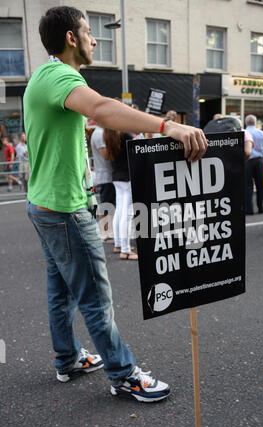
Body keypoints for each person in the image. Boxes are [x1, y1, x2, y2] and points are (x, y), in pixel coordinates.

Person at [23, 6, 207, 403]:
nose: (94, 39)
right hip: (63, 209)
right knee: (94, 296)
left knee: (62, 291)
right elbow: (103, 109)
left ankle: (68, 359)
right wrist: (167, 125)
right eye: (88, 32)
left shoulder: (42, 77)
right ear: (71, 38)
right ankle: (123, 375)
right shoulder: (59, 75)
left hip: (45, 204)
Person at [103, 127, 137, 260]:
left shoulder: (108, 135)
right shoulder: (125, 135)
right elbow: (137, 150)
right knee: (127, 214)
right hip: (127, 177)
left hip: (117, 176)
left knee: (119, 211)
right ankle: (125, 249)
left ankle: (119, 244)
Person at [90, 125, 115, 241]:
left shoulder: (99, 132)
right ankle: (104, 233)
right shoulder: (100, 134)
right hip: (105, 175)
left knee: (107, 206)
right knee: (106, 206)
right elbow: (106, 155)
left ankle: (107, 232)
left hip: (106, 175)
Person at [245, 114, 263, 214]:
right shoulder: (262, 133)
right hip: (259, 160)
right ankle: (261, 207)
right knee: (260, 185)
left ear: (246, 123)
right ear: (255, 122)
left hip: (247, 161)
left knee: (247, 185)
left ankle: (249, 209)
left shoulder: (244, 132)